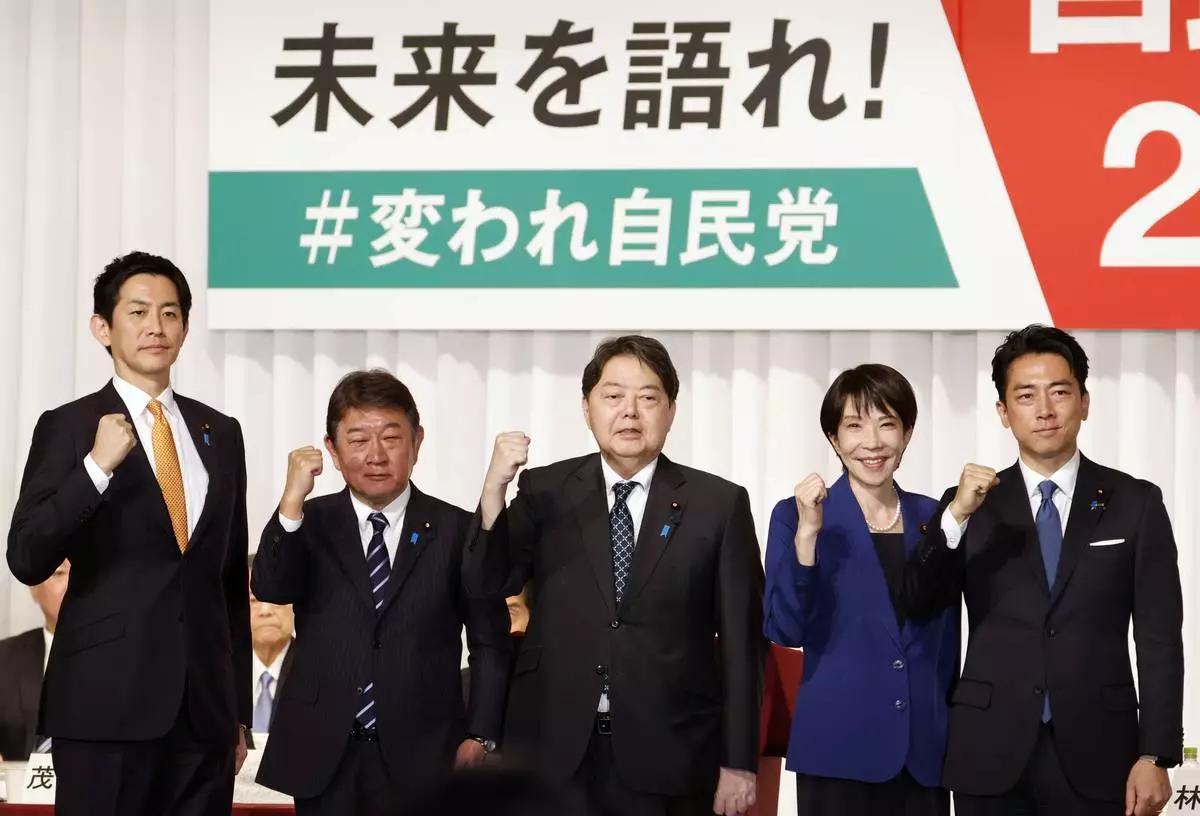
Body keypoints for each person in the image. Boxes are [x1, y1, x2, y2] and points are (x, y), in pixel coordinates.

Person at [464, 334, 765, 816]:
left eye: (648, 397)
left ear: (670, 410)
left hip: (668, 753)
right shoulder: (545, 490)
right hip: (551, 750)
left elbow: (742, 646)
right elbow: (486, 582)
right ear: (587, 408)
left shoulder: (719, 505)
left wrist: (739, 762)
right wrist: (494, 488)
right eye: (613, 396)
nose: (630, 411)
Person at [6, 251, 251, 815]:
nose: (155, 327)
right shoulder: (68, 426)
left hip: (204, 718)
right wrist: (94, 468)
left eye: (169, 314)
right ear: (104, 328)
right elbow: (27, 555)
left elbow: (228, 583)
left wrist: (236, 712)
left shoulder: (221, 432)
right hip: (104, 709)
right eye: (137, 312)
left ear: (185, 329)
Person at [903, 325, 1183, 816]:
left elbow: (1160, 636)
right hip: (989, 754)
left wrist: (1155, 751)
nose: (1045, 410)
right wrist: (954, 519)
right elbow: (919, 602)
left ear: (1085, 401)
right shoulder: (971, 505)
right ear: (1003, 413)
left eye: (1060, 392)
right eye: (1026, 395)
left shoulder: (1135, 502)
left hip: (1102, 754)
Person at [251, 369, 512, 816]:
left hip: (424, 754)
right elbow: (271, 586)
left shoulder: (454, 530)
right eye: (357, 440)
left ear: (417, 442)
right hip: (323, 752)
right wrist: (291, 500)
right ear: (331, 450)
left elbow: (490, 640)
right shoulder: (308, 524)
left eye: (391, 438)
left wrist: (481, 733)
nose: (376, 455)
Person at [763, 365, 956, 816]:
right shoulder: (796, 516)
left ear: (907, 433)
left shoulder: (936, 517)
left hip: (922, 754)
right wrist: (808, 536)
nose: (872, 442)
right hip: (838, 749)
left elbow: (949, 640)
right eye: (854, 426)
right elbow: (785, 629)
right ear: (834, 439)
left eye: (887, 423)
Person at [0, 560, 70, 760]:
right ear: (34, 588)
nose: (72, 583)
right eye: (59, 573)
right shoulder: (4, 658)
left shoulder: (130, 660)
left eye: (84, 572)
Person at [248, 555, 296, 734]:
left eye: (276, 599)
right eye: (253, 600)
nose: (266, 611)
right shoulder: (222, 671)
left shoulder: (318, 667)